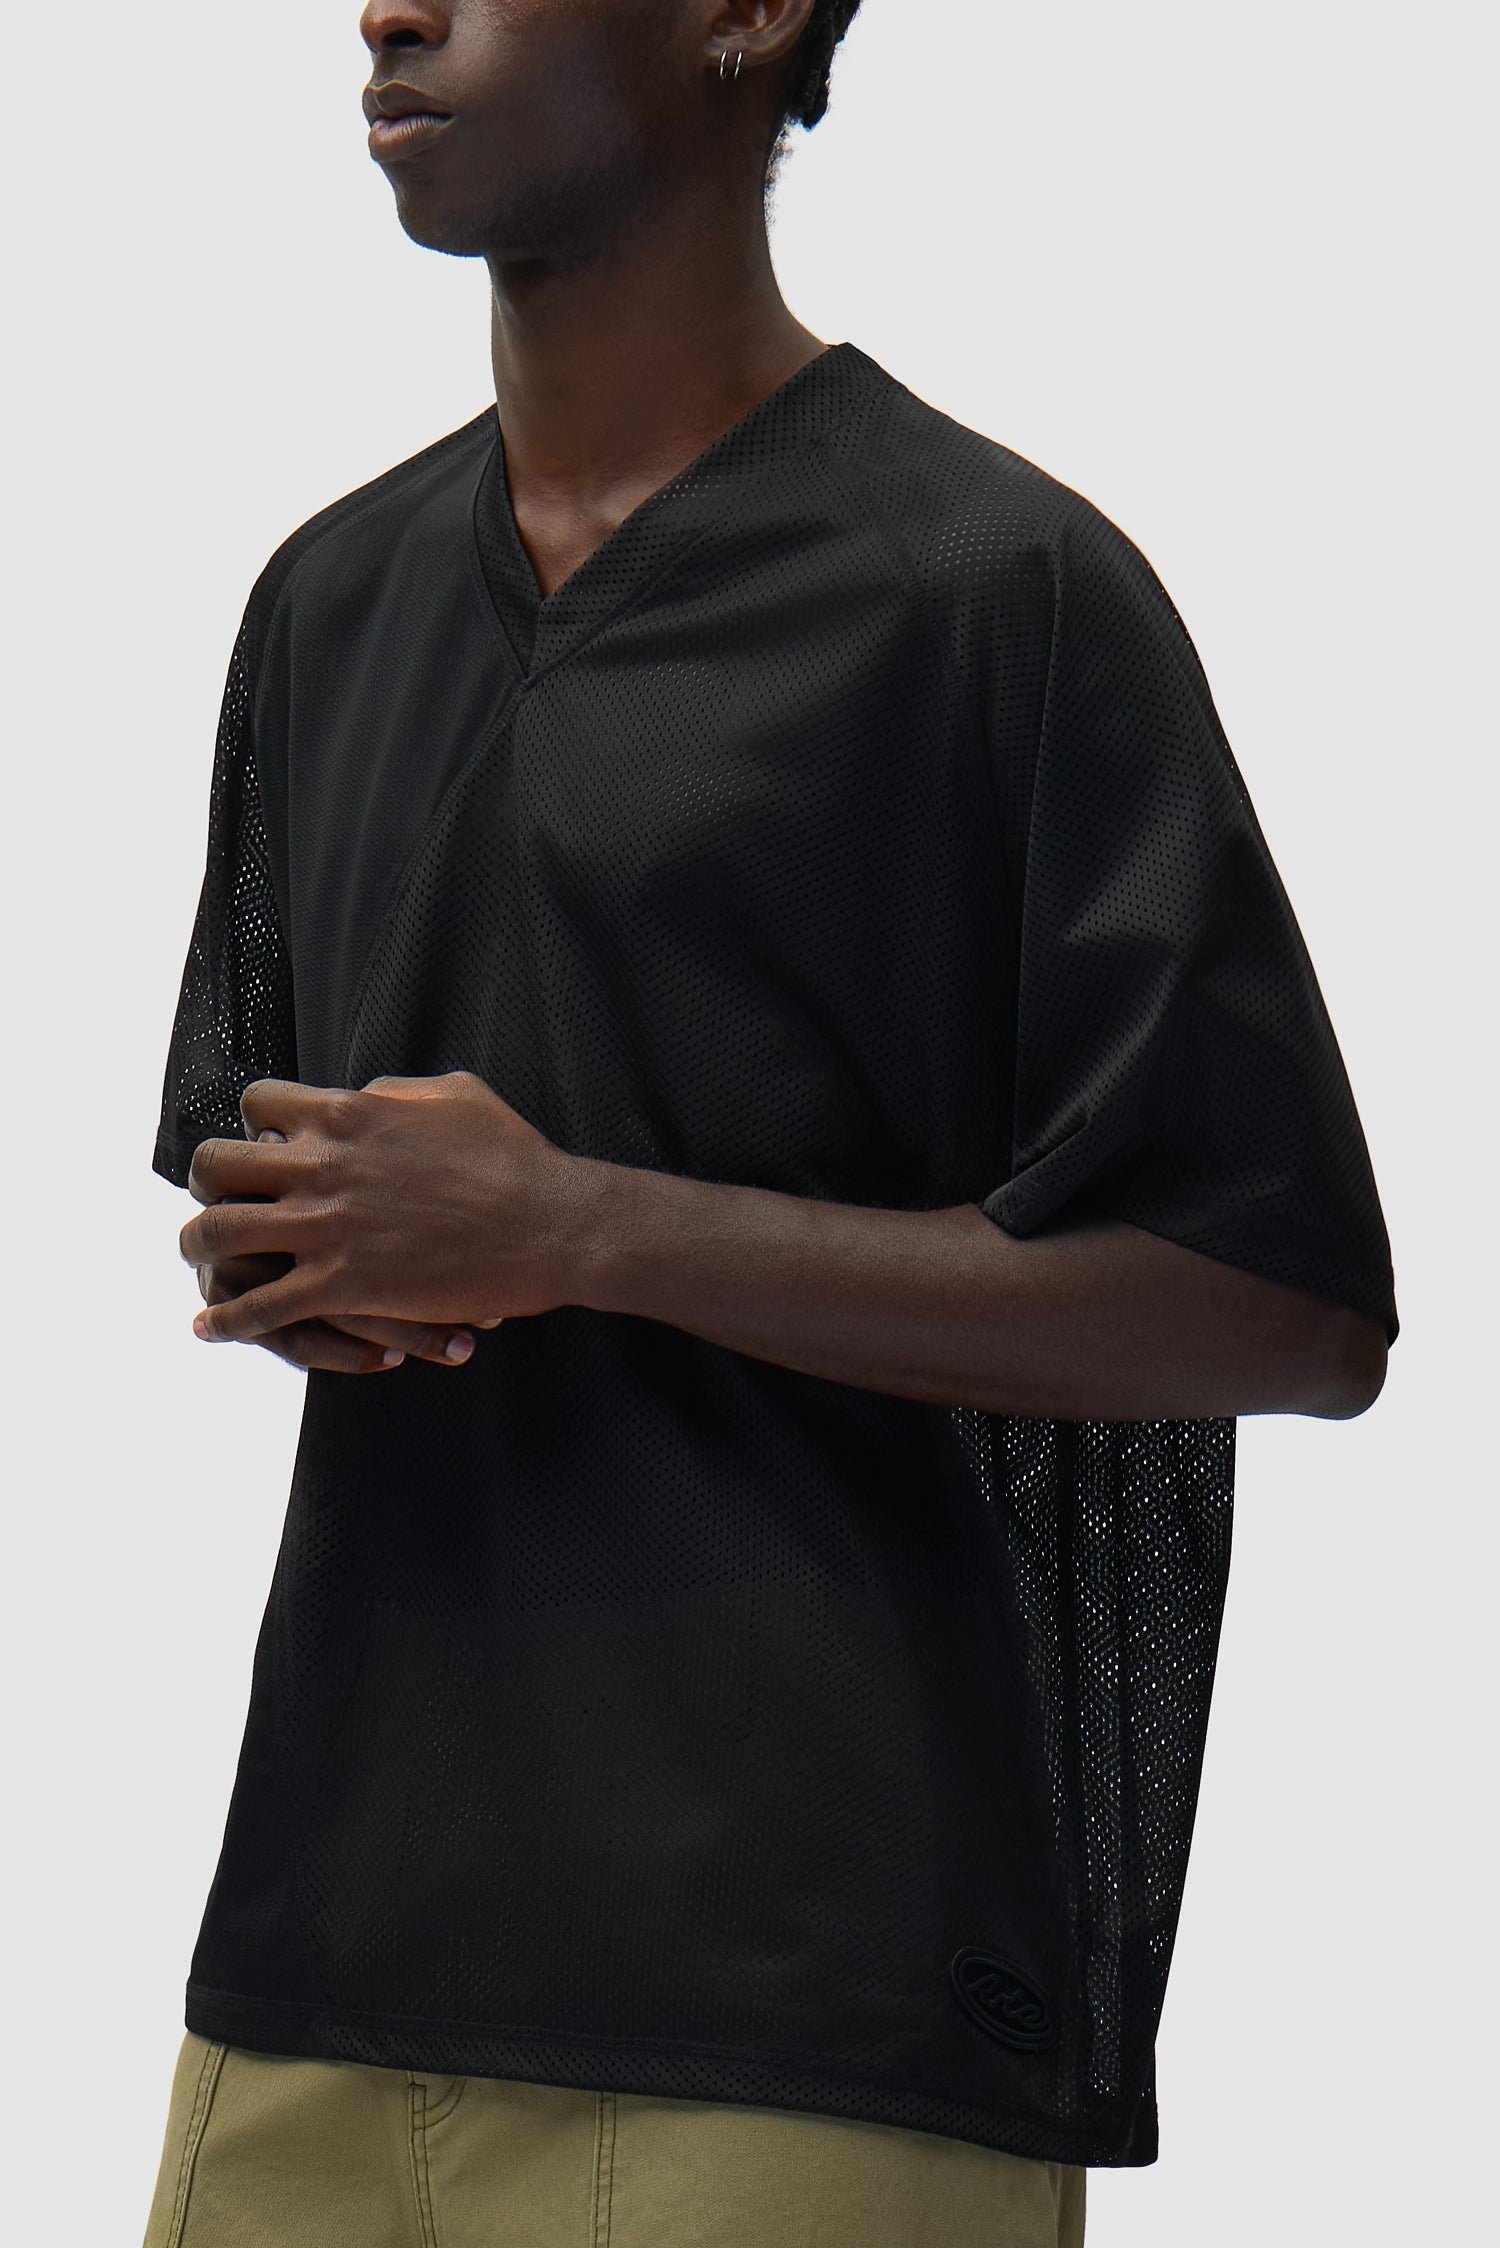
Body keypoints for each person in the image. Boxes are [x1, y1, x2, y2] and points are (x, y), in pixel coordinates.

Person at [140, 2, 1399, 2243]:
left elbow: (1283, 1298)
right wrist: (304, 1257)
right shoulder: (326, 600)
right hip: (318, 1977)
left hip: (809, 2015)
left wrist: (580, 1228)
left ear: (747, 11)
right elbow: (281, 1165)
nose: (388, 6)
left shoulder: (994, 593)